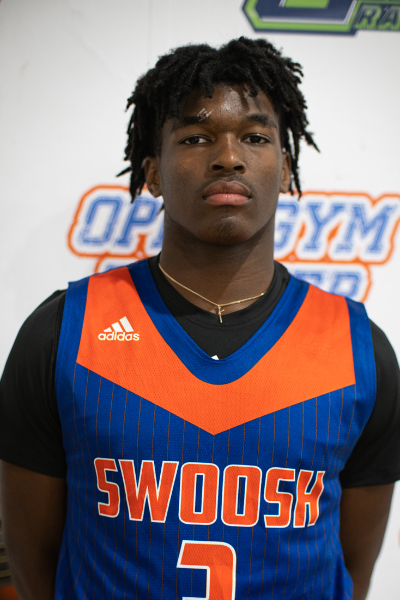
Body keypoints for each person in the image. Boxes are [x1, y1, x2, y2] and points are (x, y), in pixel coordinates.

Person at [0, 37, 399, 600]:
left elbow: (352, 568)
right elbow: (31, 562)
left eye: (255, 137)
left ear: (286, 170)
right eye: (195, 137)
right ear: (153, 173)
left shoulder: (359, 351)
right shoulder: (62, 332)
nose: (228, 157)